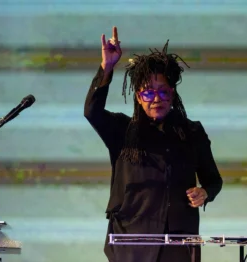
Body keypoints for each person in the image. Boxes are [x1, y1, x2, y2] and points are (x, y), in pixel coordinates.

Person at [84, 26, 223, 262]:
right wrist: (106, 68)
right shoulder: (122, 130)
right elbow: (92, 111)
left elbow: (213, 180)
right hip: (131, 242)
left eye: (163, 92)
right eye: (148, 93)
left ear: (173, 94)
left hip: (178, 243)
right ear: (138, 97)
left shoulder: (192, 132)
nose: (156, 99)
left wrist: (205, 193)